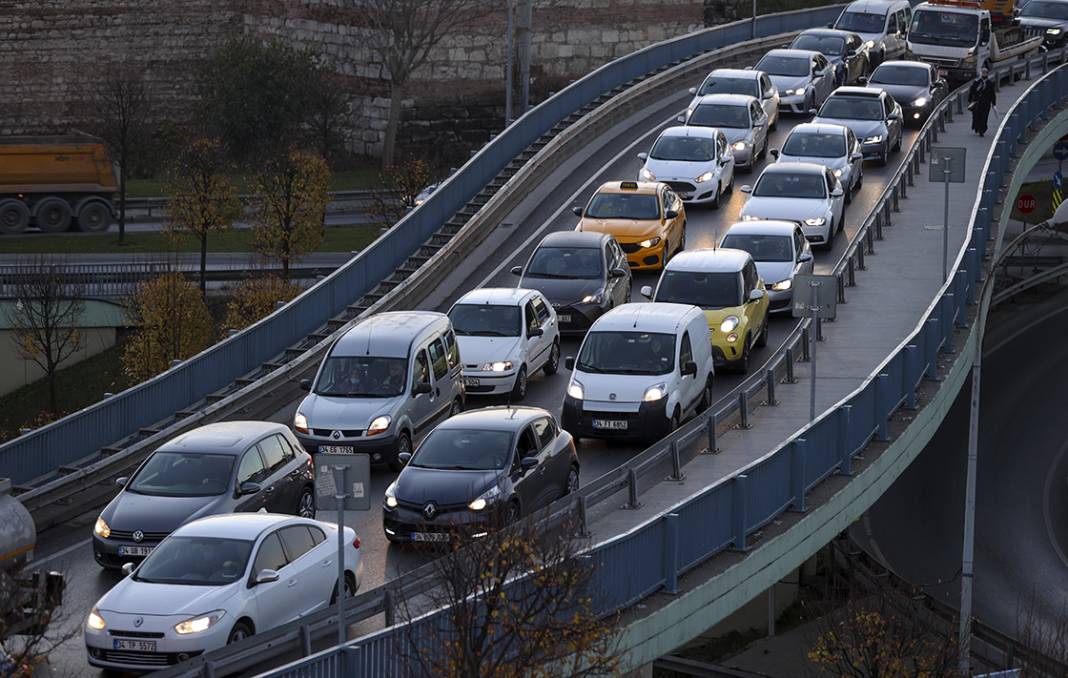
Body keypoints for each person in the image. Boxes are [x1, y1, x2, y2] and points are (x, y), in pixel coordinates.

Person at [968, 68, 997, 137]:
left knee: (984, 117)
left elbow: (992, 94)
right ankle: (976, 127)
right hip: (977, 102)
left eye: (986, 73)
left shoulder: (989, 83)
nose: (984, 74)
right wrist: (970, 100)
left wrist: (994, 103)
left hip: (986, 103)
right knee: (976, 116)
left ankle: (982, 130)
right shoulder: (977, 82)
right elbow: (972, 91)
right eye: (983, 72)